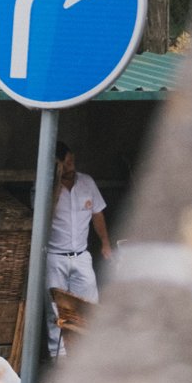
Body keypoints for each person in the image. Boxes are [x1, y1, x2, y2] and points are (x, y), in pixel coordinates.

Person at [47, 143, 112, 354]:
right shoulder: (45, 184)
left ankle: (87, 356)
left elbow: (97, 214)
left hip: (82, 255)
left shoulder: (87, 182)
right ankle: (59, 361)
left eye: (71, 161)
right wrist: (56, 181)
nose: (70, 166)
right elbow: (44, 213)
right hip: (54, 257)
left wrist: (105, 243)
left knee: (89, 307)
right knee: (55, 311)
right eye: (64, 163)